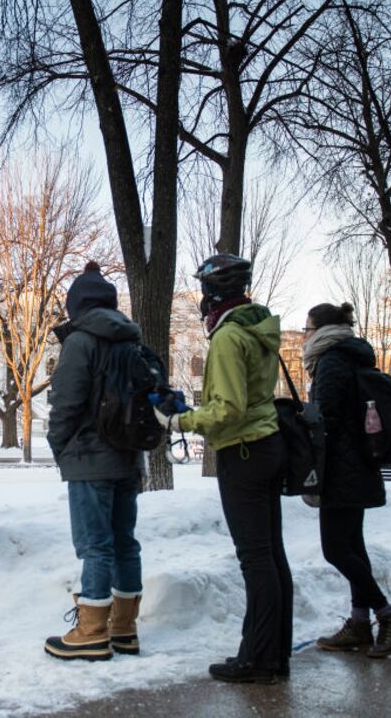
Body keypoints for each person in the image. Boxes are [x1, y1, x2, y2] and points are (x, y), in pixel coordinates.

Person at [169, 254, 292, 685]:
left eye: (204, 291)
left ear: (214, 293)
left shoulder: (227, 337)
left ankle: (258, 660)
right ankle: (273, 653)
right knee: (272, 556)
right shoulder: (259, 328)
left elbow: (227, 409)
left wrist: (179, 421)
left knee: (256, 559)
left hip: (243, 452)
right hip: (268, 445)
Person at [42, 262, 145, 662]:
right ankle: (124, 628)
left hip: (88, 456)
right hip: (127, 455)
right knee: (125, 542)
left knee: (95, 545)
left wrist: (58, 446)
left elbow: (65, 403)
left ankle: (91, 630)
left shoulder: (81, 342)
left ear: (76, 307)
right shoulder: (132, 340)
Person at [302, 303, 391, 658]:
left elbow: (327, 418)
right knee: (353, 547)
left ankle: (387, 616)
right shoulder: (351, 355)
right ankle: (360, 622)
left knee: (335, 549)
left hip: (340, 470)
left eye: (307, 328)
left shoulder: (332, 361)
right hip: (358, 466)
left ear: (321, 329)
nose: (304, 335)